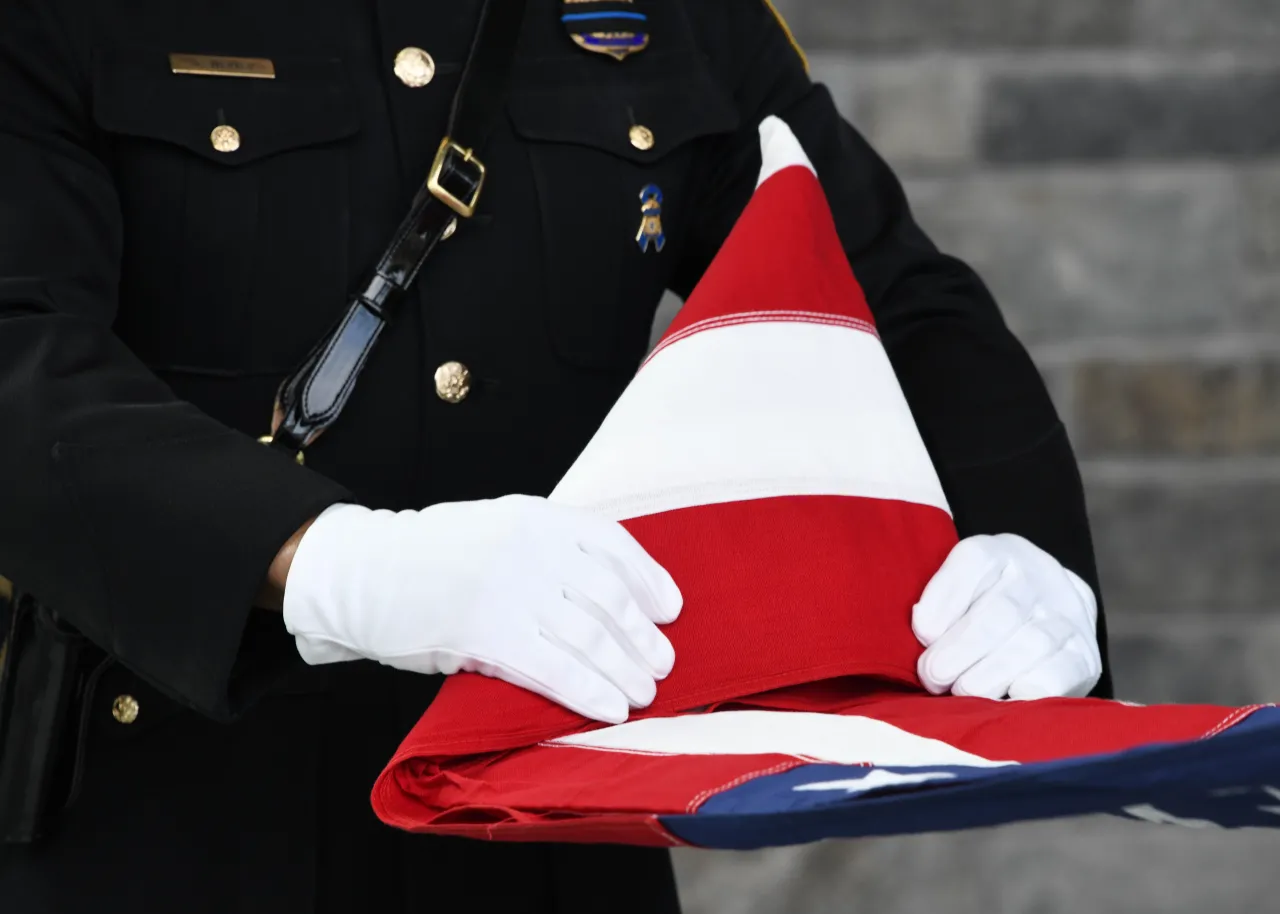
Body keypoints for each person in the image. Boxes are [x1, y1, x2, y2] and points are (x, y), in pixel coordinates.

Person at [0, 0, 1110, 911]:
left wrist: (1021, 544)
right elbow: (17, 350)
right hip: (167, 816)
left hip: (542, 824)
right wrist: (335, 563)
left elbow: (897, 303)